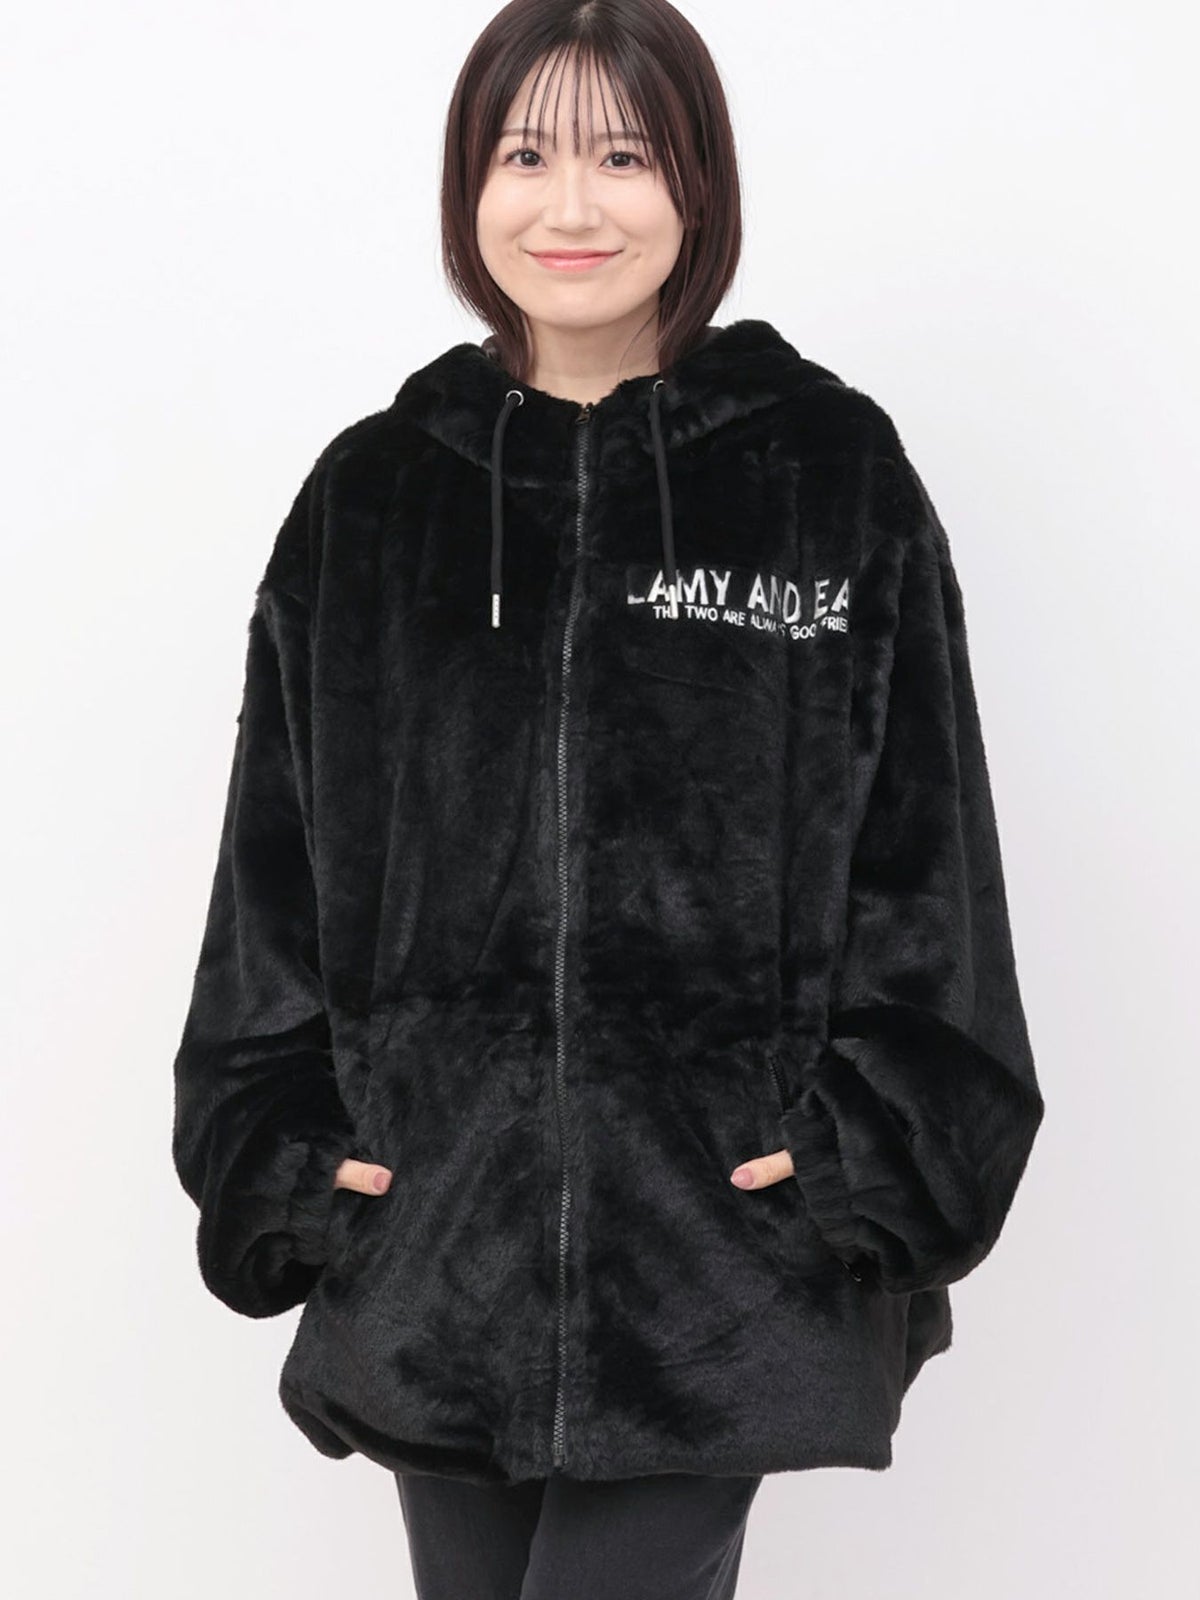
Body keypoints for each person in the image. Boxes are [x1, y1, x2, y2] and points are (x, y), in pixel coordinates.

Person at [170, 1, 1046, 1594]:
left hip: (720, 1263)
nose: (571, 207)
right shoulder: (374, 496)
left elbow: (932, 867)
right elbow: (270, 879)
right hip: (435, 1253)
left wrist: (863, 1150)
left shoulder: (826, 475)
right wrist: (287, 1153)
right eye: (526, 156)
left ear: (696, 185)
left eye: (624, 157)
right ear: (470, 185)